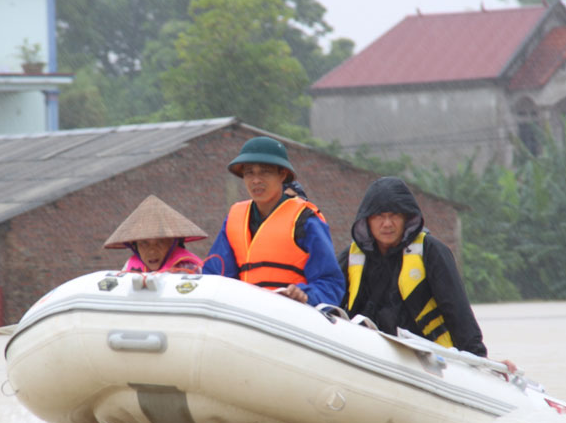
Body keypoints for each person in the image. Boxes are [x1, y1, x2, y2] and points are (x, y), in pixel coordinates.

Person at [338, 176, 489, 357]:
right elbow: (330, 300)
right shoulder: (352, 257)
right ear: (367, 221)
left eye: (394, 215)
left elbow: (458, 311)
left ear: (406, 219)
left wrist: (478, 357)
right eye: (379, 216)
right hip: (368, 352)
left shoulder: (431, 251)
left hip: (426, 355)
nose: (387, 224)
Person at [202, 136, 345, 306]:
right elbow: (215, 274)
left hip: (291, 317)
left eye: (265, 171)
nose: (256, 180)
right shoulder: (234, 218)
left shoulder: (305, 220)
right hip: (246, 316)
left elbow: (331, 284)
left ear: (282, 175)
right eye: (249, 173)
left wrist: (306, 295)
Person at [104, 195, 207, 273]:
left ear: (173, 243)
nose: (152, 251)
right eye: (144, 243)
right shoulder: (129, 267)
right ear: (135, 247)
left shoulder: (188, 267)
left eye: (160, 242)